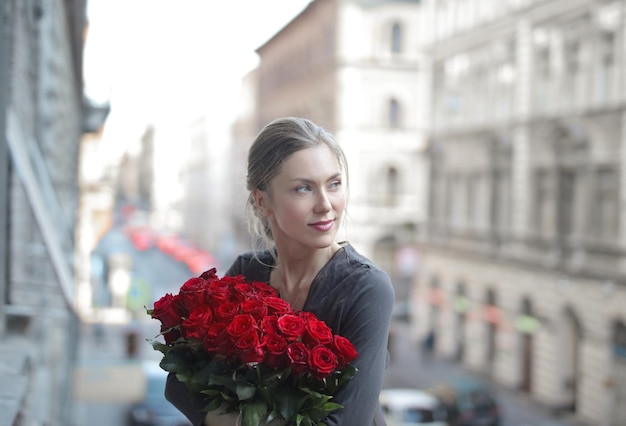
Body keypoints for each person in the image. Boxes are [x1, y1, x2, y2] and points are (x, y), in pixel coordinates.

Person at [165, 117, 395, 426]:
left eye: (334, 184)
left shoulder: (367, 288)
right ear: (263, 201)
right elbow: (180, 386)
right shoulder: (246, 273)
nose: (326, 205)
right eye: (303, 188)